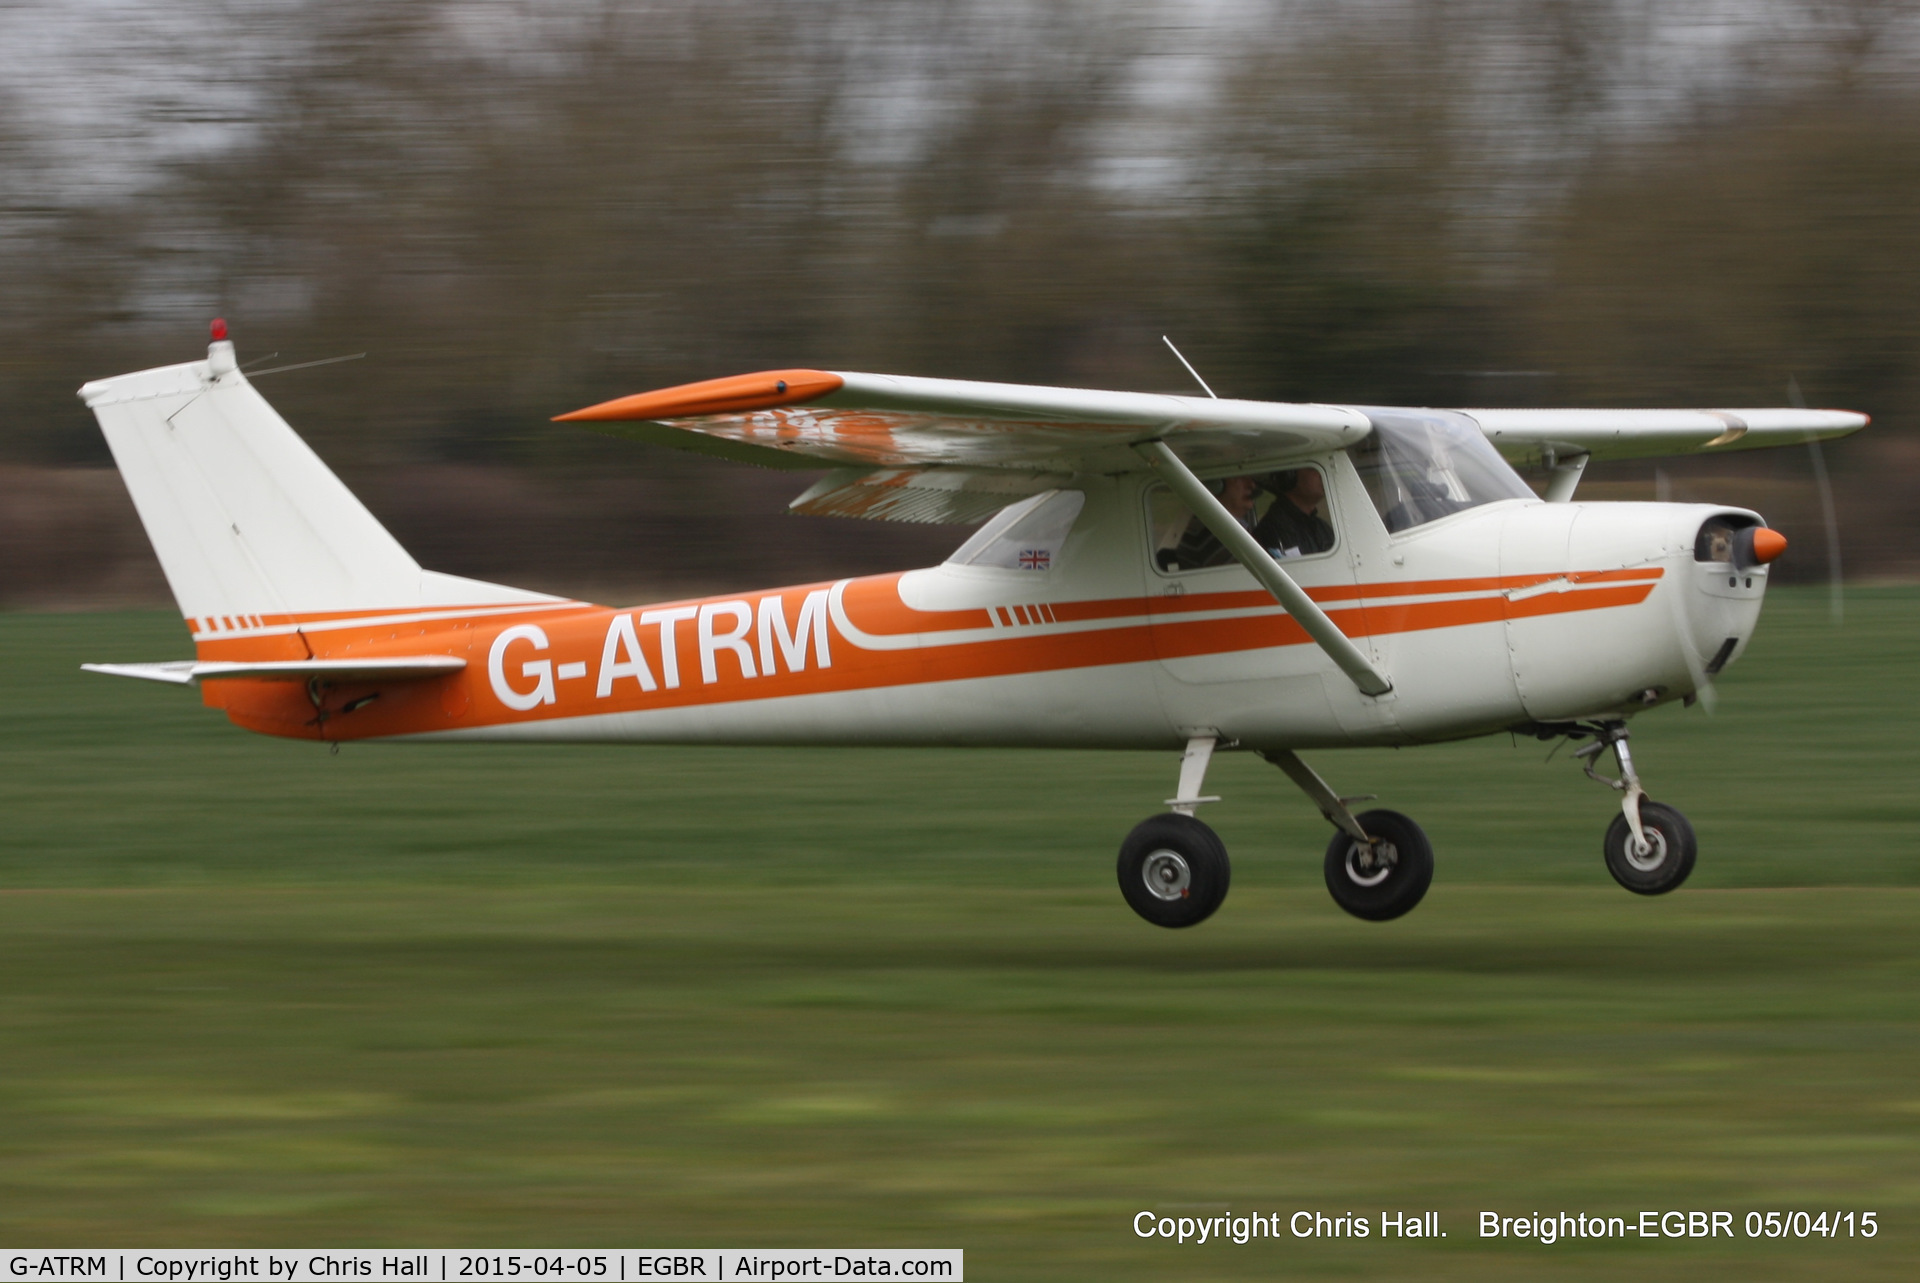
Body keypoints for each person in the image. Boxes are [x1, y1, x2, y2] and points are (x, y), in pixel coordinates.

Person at [1252, 468, 1335, 557]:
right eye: (1313, 468)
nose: (1322, 474)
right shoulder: (1270, 529)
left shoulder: (1324, 528)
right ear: (1290, 476)